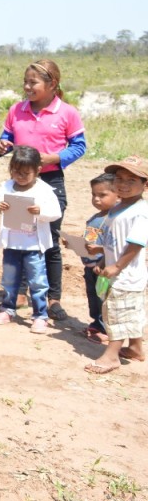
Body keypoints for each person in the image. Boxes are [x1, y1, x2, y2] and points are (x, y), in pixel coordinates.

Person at [0, 59, 86, 322]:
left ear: (52, 84)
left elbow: (79, 146)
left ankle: (53, 298)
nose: (27, 87)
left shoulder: (67, 112)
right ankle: (21, 293)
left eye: (33, 82)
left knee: (49, 238)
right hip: (20, 183)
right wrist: (3, 145)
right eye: (25, 82)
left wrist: (54, 158)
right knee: (21, 234)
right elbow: (7, 138)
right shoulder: (16, 110)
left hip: (50, 181)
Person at [0, 146, 61, 332]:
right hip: (11, 243)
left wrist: (40, 211)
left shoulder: (44, 190)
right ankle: (8, 309)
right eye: (16, 172)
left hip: (33, 245)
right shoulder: (6, 186)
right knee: (9, 279)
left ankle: (40, 315)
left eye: (26, 173)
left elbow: (55, 213)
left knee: (37, 280)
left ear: (37, 171)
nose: (20, 176)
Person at [84, 156, 148, 374]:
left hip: (126, 274)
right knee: (129, 310)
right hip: (114, 270)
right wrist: (102, 256)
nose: (124, 184)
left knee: (117, 313)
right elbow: (115, 241)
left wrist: (118, 266)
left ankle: (111, 357)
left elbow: (136, 244)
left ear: (145, 185)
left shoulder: (141, 212)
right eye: (120, 178)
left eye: (132, 180)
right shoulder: (117, 207)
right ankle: (136, 348)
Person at [71, 174, 118, 344]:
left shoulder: (114, 219)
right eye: (93, 195)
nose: (96, 199)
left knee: (103, 299)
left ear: (118, 194)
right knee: (93, 297)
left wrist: (102, 262)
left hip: (102, 268)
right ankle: (96, 325)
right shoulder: (96, 217)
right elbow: (91, 241)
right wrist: (74, 243)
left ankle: (105, 330)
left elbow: (114, 247)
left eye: (102, 195)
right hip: (90, 266)